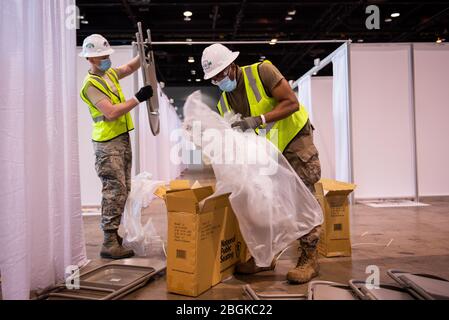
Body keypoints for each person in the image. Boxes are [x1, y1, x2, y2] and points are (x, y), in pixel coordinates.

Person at [201, 44, 322, 284]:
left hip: (294, 138)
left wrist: (259, 119)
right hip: (268, 149)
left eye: (221, 74)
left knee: (302, 195)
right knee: (265, 199)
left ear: (232, 65)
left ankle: (309, 258)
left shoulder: (262, 72)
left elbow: (291, 103)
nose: (219, 81)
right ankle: (266, 256)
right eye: (214, 79)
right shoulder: (224, 102)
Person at [79, 34, 153, 259]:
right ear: (90, 60)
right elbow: (110, 112)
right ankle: (109, 241)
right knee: (114, 190)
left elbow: (129, 68)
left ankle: (113, 236)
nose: (105, 60)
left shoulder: (108, 73)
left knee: (124, 189)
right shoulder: (90, 85)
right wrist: (138, 98)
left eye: (106, 56)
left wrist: (144, 54)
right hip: (107, 143)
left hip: (120, 138)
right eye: (100, 57)